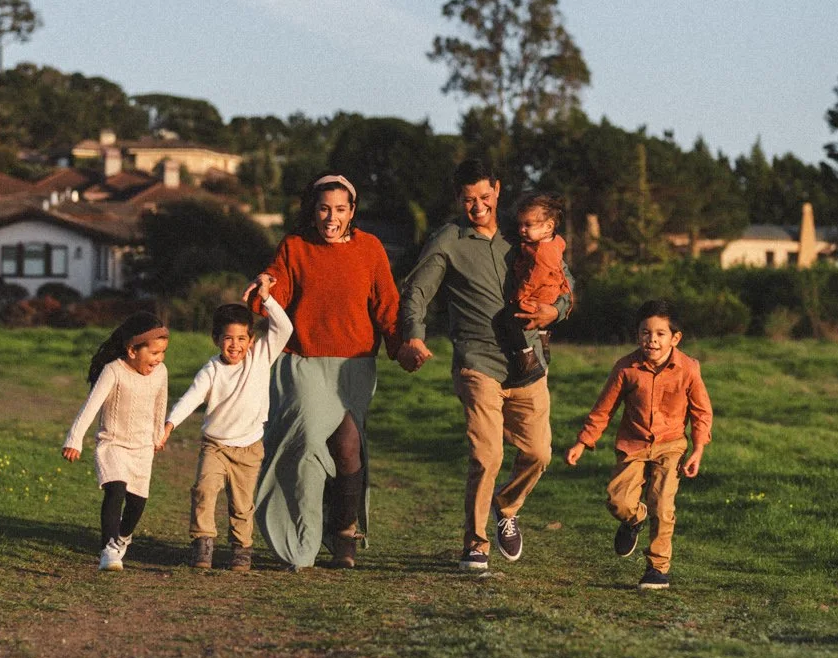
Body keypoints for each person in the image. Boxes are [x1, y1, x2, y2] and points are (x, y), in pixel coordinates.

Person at [398, 158, 572, 571]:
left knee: (539, 453)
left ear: (497, 188)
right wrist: (413, 335)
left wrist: (556, 311)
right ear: (458, 199)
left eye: (484, 196)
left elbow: (565, 282)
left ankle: (506, 508)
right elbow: (417, 292)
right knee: (487, 454)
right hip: (477, 362)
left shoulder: (524, 232)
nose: (477, 206)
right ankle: (475, 543)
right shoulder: (448, 240)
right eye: (467, 199)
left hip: (528, 361)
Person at [245, 173, 401, 570]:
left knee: (348, 446)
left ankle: (344, 531)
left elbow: (387, 304)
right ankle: (302, 540)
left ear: (352, 211)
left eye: (340, 209)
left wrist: (404, 346)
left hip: (356, 364)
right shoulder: (295, 247)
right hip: (304, 361)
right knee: (308, 443)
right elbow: (276, 288)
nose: (331, 217)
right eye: (324, 208)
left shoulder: (370, 249)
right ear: (312, 210)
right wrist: (263, 289)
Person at [565, 301, 713, 590]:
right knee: (617, 500)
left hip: (671, 446)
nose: (652, 340)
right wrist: (583, 442)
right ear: (638, 335)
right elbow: (603, 410)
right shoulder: (626, 368)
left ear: (675, 338)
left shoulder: (688, 369)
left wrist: (697, 449)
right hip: (632, 445)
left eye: (660, 334)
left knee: (662, 504)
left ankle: (657, 568)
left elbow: (701, 413)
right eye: (646, 333)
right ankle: (634, 519)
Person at [164, 296, 293, 572]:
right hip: (216, 445)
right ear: (216, 339)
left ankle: (241, 549)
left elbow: (284, 328)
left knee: (242, 504)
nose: (235, 345)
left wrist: (266, 298)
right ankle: (202, 544)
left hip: (249, 448)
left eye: (241, 338)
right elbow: (190, 398)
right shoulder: (212, 370)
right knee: (203, 490)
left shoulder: (260, 357)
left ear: (251, 339)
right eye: (228, 338)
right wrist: (170, 424)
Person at [62, 311, 171, 571]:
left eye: (162, 353)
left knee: (137, 503)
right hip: (113, 443)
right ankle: (109, 549)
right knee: (116, 490)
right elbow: (91, 406)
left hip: (143, 447)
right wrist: (74, 439)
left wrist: (158, 435)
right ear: (132, 350)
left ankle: (123, 537)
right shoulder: (113, 371)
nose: (159, 359)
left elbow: (160, 404)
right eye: (154, 353)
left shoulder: (161, 372)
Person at [495, 193, 567, 387]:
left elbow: (533, 278)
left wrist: (520, 295)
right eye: (520, 225)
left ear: (548, 226)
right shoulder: (553, 241)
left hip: (539, 293)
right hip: (551, 291)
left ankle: (528, 361)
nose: (522, 230)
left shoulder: (541, 253)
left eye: (528, 225)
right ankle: (543, 340)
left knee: (512, 318)